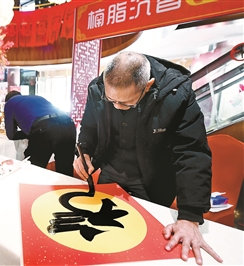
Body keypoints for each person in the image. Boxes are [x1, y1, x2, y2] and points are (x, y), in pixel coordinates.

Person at [73, 51, 223, 265]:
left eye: (125, 103)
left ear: (148, 85)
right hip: (110, 175)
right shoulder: (97, 88)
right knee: (102, 242)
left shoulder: (176, 94)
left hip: (152, 180)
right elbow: (89, 126)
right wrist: (85, 150)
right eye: (110, 99)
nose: (116, 106)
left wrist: (190, 215)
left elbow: (192, 152)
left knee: (142, 249)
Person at [4, 91, 76, 176]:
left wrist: (28, 133)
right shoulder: (37, 98)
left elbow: (11, 135)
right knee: (65, 170)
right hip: (68, 124)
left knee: (31, 168)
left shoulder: (9, 103)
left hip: (45, 129)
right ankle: (66, 188)